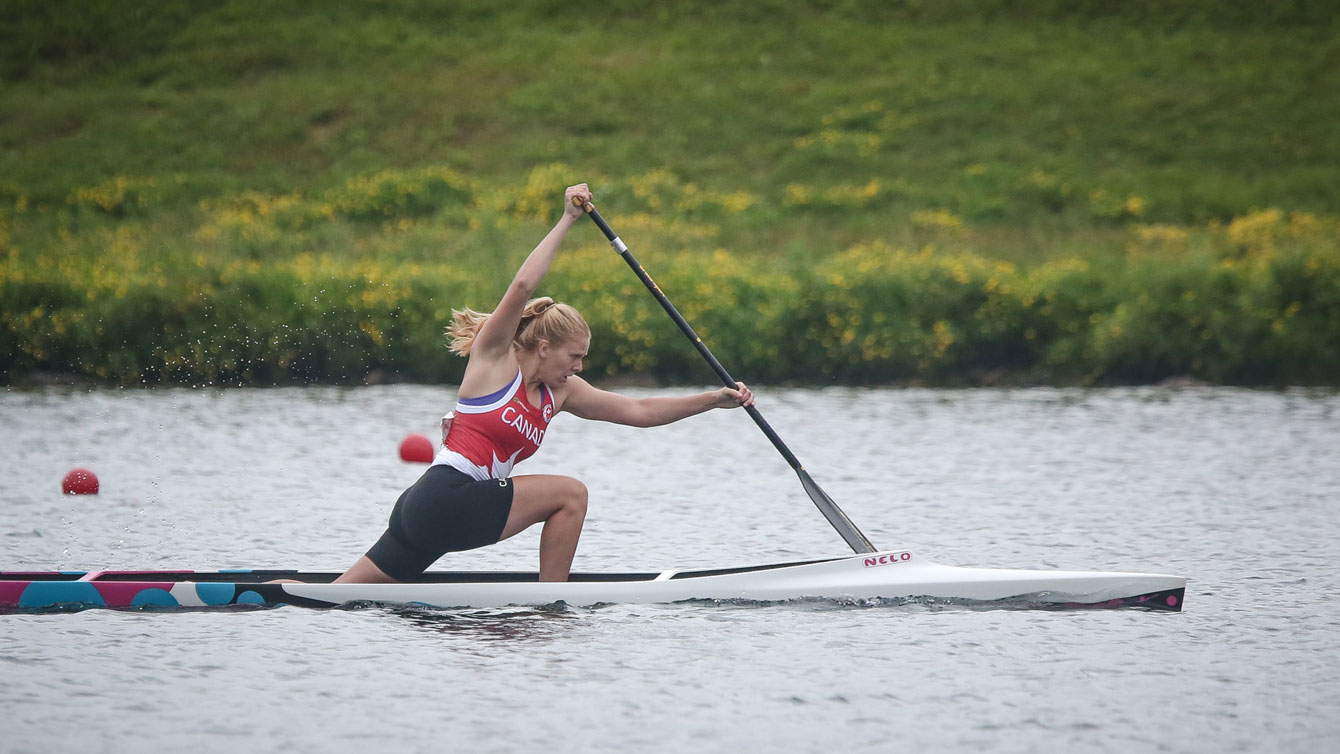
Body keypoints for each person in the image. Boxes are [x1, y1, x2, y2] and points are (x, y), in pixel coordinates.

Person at [336, 183, 754, 584]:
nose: (580, 368)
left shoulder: (561, 393)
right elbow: (522, 286)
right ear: (542, 347)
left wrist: (714, 399)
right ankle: (552, 599)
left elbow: (638, 411)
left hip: (435, 510)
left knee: (331, 596)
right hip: (442, 497)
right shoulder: (495, 360)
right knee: (570, 495)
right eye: (574, 357)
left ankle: (268, 599)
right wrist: (567, 219)